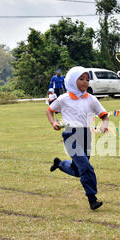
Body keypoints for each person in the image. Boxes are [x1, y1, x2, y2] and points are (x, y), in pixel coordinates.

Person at [46, 66, 109, 211]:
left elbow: (104, 115)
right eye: (81, 79)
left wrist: (104, 124)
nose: (85, 82)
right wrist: (53, 122)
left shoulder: (91, 99)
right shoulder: (64, 99)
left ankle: (60, 164)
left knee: (78, 170)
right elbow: (50, 110)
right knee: (86, 167)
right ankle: (92, 199)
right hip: (70, 136)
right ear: (72, 81)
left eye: (87, 79)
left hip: (86, 135)